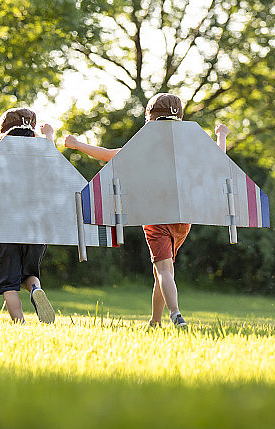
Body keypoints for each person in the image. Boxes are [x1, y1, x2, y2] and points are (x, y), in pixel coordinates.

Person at [64, 93, 229, 328]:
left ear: (149, 119)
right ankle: (154, 321)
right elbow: (218, 161)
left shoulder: (146, 146)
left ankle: (176, 314)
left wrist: (78, 145)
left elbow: (111, 156)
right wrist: (221, 135)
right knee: (163, 272)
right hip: (183, 219)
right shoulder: (188, 147)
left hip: (155, 215)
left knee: (163, 270)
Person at [0, 107, 56, 324]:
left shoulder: (0, 155)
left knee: (8, 284)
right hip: (37, 229)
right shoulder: (39, 152)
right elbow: (55, 162)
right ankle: (35, 289)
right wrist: (49, 137)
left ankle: (20, 324)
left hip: (7, 229)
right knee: (29, 274)